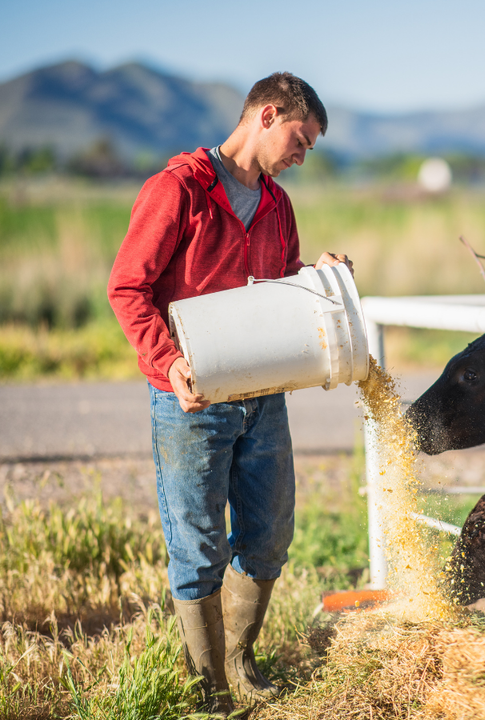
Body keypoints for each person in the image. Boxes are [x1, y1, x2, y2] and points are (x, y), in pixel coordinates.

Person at [108, 72, 349, 713]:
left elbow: (281, 288)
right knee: (199, 547)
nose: (304, 155)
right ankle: (207, 687)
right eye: (301, 139)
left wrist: (319, 280)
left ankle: (240, 663)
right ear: (267, 116)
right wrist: (168, 362)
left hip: (264, 397)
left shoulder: (278, 205)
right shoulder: (177, 189)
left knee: (268, 537)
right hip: (190, 400)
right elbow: (127, 288)